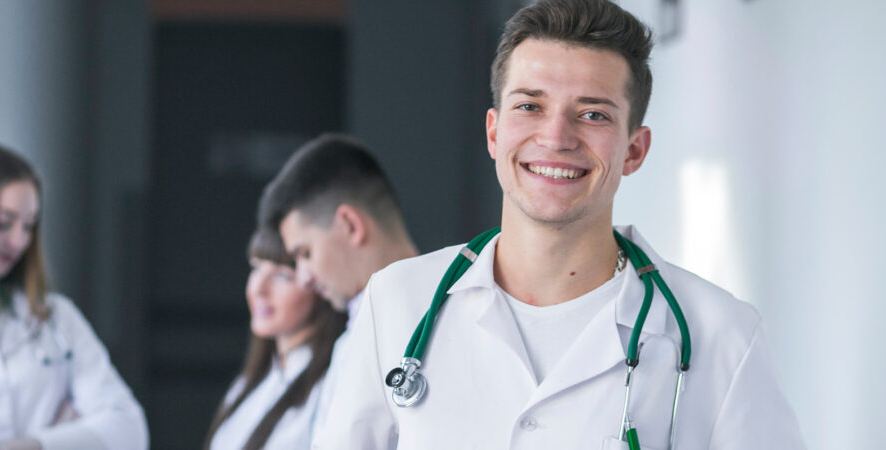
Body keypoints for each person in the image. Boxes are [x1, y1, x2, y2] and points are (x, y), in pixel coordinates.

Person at [312, 1, 805, 449]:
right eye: (530, 106)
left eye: (592, 114)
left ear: (634, 150)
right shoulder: (397, 302)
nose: (556, 137)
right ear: (494, 131)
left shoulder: (720, 335)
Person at [0, 144, 148, 450]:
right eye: (3, 223)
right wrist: (73, 437)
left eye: (28, 226)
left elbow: (130, 430)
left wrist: (32, 444)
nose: (18, 241)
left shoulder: (54, 317)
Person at [256, 133, 419, 436]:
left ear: (350, 225)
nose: (303, 278)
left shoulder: (452, 320)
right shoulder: (354, 338)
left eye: (305, 253)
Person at [204, 228, 346, 450]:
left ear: (317, 284)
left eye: (282, 275)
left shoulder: (332, 384)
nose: (259, 288)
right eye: (256, 268)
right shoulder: (250, 382)